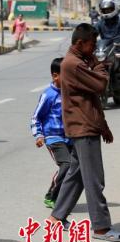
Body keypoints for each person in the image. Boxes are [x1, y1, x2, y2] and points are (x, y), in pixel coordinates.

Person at [48, 23, 120, 242]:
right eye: (92, 44)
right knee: (94, 179)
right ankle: (100, 228)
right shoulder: (73, 64)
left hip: (86, 124)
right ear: (80, 43)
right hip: (83, 127)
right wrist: (99, 66)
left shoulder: (80, 61)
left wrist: (104, 126)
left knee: (77, 176)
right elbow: (100, 85)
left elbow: (92, 99)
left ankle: (57, 217)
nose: (94, 47)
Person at [31, 57, 71, 209]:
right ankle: (51, 195)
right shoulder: (48, 95)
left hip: (69, 137)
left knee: (74, 167)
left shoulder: (69, 92)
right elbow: (36, 116)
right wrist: (39, 135)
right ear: (55, 76)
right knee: (66, 165)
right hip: (53, 137)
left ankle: (64, 196)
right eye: (66, 75)